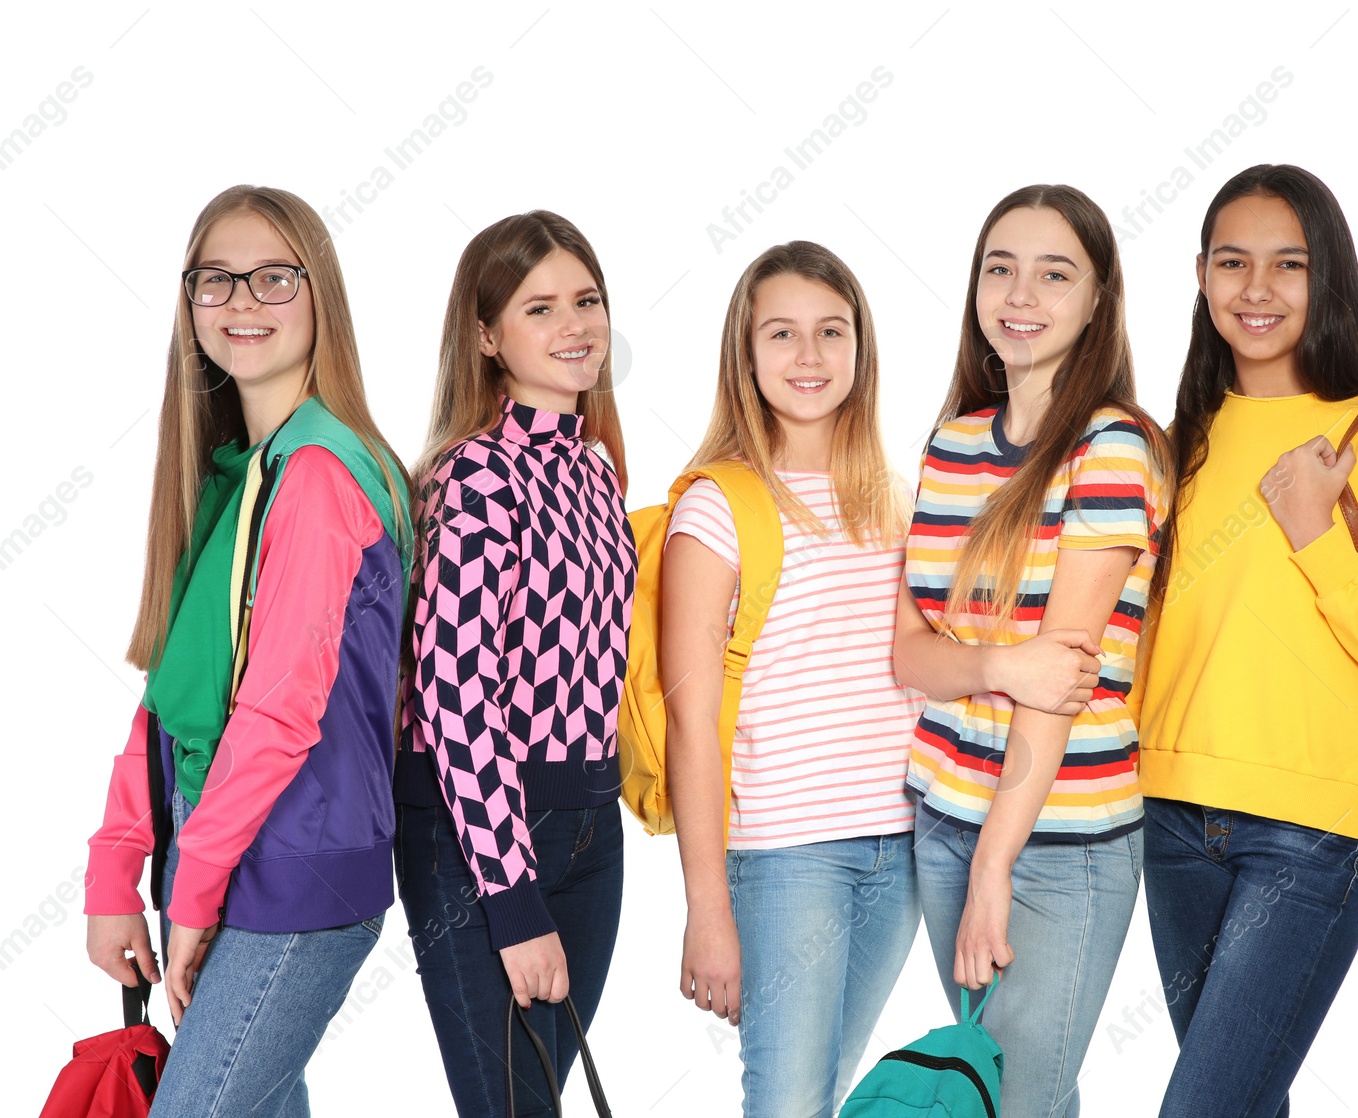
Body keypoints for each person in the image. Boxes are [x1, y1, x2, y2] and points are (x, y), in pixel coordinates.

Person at [1134, 163, 1358, 1117]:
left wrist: (1317, 536)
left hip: (1312, 833)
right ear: (1200, 276)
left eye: (1289, 264)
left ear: (1329, 279)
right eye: (1233, 262)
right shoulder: (1180, 440)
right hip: (1168, 817)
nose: (1257, 289)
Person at [84, 184, 412, 1117]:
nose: (242, 302)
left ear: (322, 298)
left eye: (274, 277)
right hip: (229, 862)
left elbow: (278, 712)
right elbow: (170, 692)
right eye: (216, 281)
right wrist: (119, 866)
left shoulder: (317, 475)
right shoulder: (243, 470)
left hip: (290, 881)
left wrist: (189, 893)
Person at [895, 184, 1169, 1118]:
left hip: (1057, 841)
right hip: (941, 816)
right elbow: (910, 658)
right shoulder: (951, 444)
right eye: (1000, 268)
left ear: (1098, 300)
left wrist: (994, 868)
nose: (1022, 294)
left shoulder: (1113, 448)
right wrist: (998, 666)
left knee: (1025, 1102)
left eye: (1056, 274)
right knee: (1000, 1092)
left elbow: (1062, 687)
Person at [665, 241, 929, 1117]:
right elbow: (691, 724)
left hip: (903, 850)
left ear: (862, 347)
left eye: (831, 332)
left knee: (821, 1100)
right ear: (746, 355)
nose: (809, 357)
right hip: (787, 857)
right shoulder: (720, 504)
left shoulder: (896, 499)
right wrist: (707, 908)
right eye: (781, 334)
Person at [398, 210, 635, 1117]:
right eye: (541, 309)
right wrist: (513, 900)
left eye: (587, 300)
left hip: (588, 821)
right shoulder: (472, 476)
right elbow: (455, 700)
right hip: (478, 838)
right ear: (488, 336)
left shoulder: (596, 470)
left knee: (536, 1099)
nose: (576, 325)